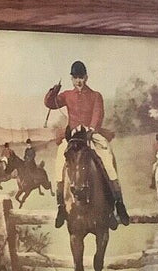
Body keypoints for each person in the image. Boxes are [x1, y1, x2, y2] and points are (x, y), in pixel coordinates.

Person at [44, 60, 130, 228]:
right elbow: (49, 103)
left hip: (91, 134)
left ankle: (118, 203)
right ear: (71, 78)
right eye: (75, 78)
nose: (79, 81)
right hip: (73, 137)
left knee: (107, 159)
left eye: (81, 77)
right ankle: (61, 206)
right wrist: (54, 91)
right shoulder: (67, 95)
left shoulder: (95, 95)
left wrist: (91, 130)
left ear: (86, 77)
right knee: (59, 164)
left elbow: (98, 114)